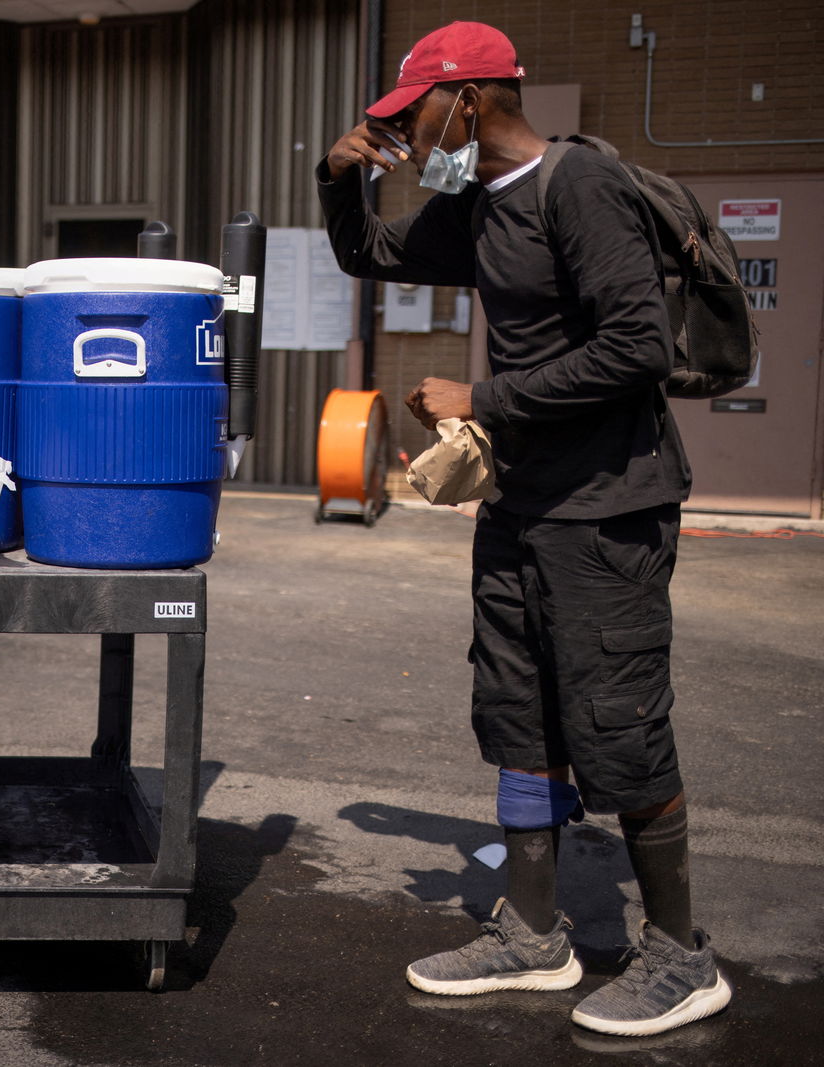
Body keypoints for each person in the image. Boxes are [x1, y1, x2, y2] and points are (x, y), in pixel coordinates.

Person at [317, 21, 730, 1038]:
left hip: (610, 507)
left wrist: (486, 396)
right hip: (522, 503)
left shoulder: (576, 188)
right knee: (520, 713)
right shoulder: (474, 206)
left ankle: (682, 956)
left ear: (468, 98)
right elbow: (367, 252)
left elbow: (635, 347)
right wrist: (338, 175)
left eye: (408, 112)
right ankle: (535, 934)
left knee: (617, 723)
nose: (403, 132)